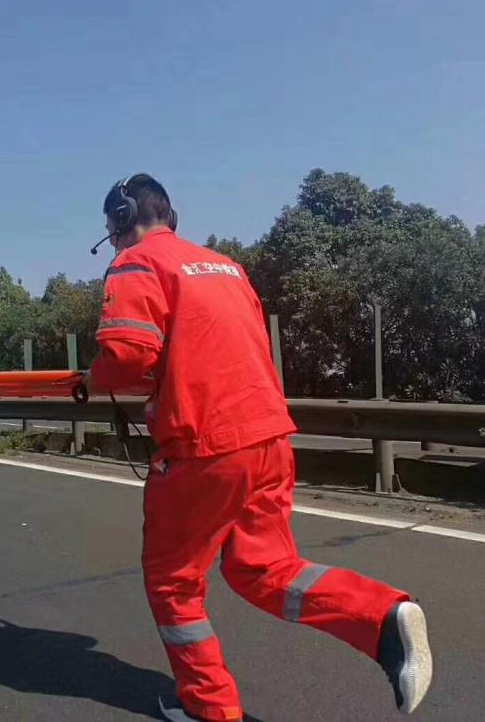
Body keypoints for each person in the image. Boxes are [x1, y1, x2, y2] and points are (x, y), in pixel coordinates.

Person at [85, 175, 432, 721]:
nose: (115, 242)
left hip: (205, 447)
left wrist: (93, 374)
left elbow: (127, 357)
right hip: (268, 437)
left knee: (173, 584)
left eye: (112, 232)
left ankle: (209, 708)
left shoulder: (136, 263)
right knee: (262, 569)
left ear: (124, 219)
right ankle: (383, 616)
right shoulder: (225, 268)